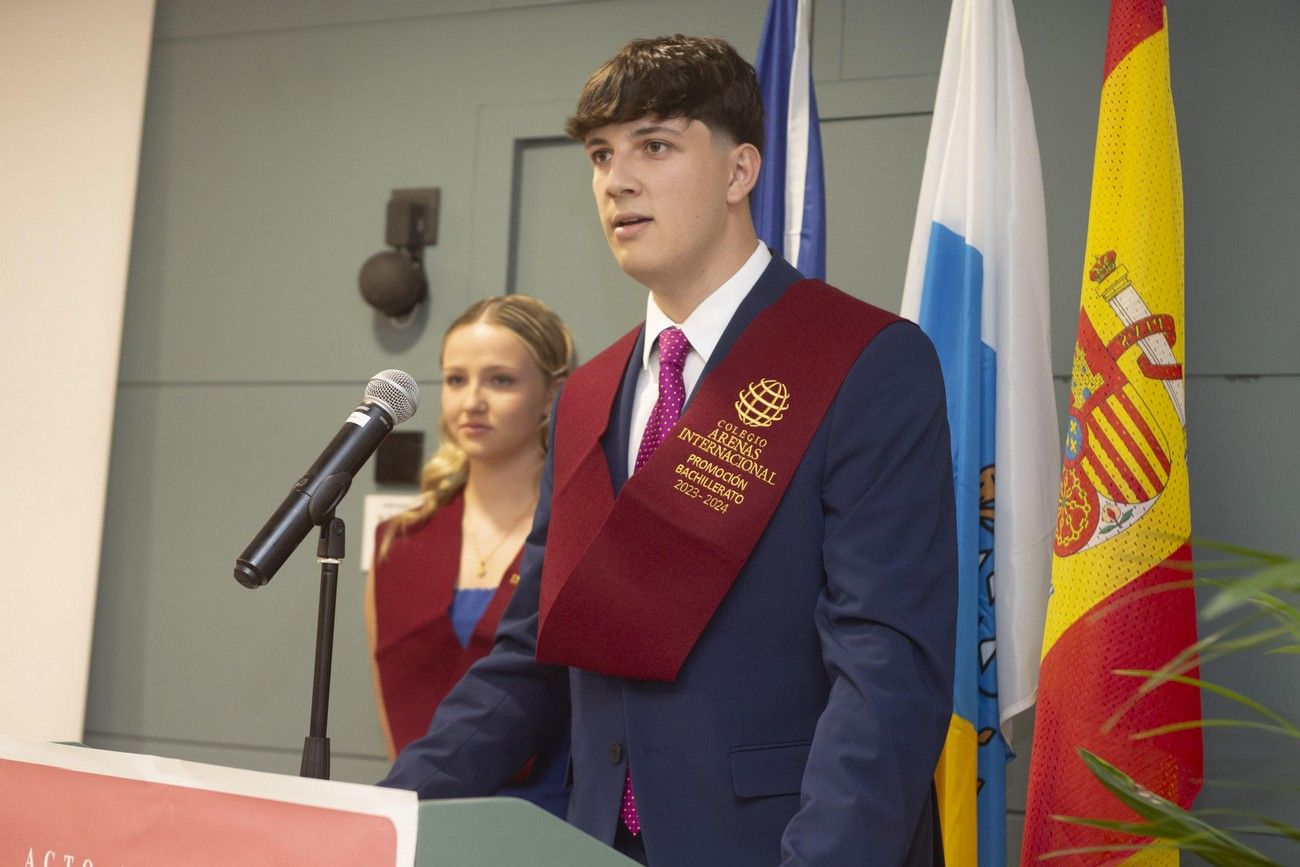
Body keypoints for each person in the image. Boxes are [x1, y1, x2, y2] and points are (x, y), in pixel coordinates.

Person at [382, 35, 957, 865]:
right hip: (596, 843)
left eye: (655, 146)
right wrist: (376, 817)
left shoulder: (862, 359)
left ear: (739, 171)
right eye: (601, 154)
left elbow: (885, 674)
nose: (617, 180)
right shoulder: (588, 392)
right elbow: (531, 657)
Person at [365, 294, 575, 818]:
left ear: (551, 395)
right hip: (418, 818)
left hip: (543, 828)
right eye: (456, 380)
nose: (471, 401)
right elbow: (397, 719)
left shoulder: (577, 537)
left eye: (500, 380)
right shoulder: (399, 540)